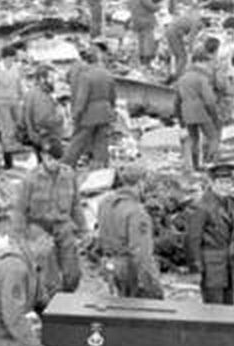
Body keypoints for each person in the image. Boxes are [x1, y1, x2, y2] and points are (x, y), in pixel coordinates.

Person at [12, 137, 84, 293]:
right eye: (50, 159)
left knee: (72, 266)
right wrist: (19, 236)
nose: (54, 163)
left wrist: (84, 230)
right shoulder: (31, 179)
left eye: (57, 159)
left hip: (62, 223)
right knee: (47, 257)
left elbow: (76, 205)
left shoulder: (69, 175)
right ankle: (51, 295)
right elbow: (20, 209)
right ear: (43, 157)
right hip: (38, 224)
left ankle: (69, 291)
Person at [92, 164, 162, 299]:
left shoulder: (105, 203)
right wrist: (154, 288)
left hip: (109, 265)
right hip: (129, 270)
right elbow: (142, 255)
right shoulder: (137, 213)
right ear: (140, 184)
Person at [184, 163, 234, 304]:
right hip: (211, 267)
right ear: (211, 183)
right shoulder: (202, 206)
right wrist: (196, 268)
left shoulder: (232, 204)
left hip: (229, 267)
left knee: (228, 309)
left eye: (228, 182)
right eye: (221, 182)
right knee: (213, 310)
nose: (225, 186)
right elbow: (193, 239)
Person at [67, 47, 118, 169]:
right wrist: (110, 110)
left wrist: (76, 116)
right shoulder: (107, 74)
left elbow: (81, 99)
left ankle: (66, 166)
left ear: (87, 61)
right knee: (101, 144)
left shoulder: (86, 76)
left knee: (78, 141)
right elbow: (113, 97)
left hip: (89, 115)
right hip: (105, 113)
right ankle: (101, 171)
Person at [176, 47, 223, 172]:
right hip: (200, 111)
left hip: (186, 112)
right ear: (201, 61)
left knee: (194, 139)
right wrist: (215, 117)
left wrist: (180, 119)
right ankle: (210, 162)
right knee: (213, 137)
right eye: (207, 62)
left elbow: (177, 100)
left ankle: (196, 165)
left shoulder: (182, 78)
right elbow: (209, 100)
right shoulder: (201, 78)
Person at [0, 47, 27, 169]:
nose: (11, 61)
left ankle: (15, 145)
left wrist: (25, 98)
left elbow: (20, 84)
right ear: (4, 58)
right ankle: (8, 160)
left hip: (14, 100)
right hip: (0, 103)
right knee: (7, 129)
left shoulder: (16, 68)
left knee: (20, 124)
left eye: (13, 59)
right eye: (10, 59)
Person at [19, 71, 66, 155]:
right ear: (42, 79)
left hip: (34, 135)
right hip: (45, 138)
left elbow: (22, 119)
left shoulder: (31, 92)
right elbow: (44, 120)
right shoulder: (41, 97)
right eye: (51, 78)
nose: (54, 81)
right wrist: (61, 116)